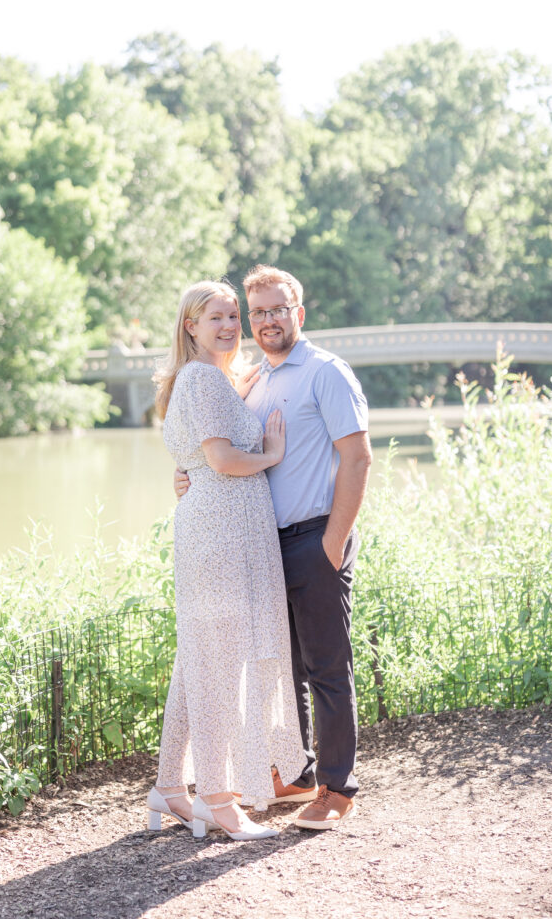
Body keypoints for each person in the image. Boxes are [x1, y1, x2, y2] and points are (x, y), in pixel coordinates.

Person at [176, 265, 372, 831]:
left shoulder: (326, 374)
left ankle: (337, 789)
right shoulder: (254, 380)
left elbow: (358, 458)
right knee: (281, 668)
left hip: (315, 537)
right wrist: (189, 477)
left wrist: (333, 542)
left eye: (275, 309)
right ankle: (301, 772)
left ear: (298, 313)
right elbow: (223, 450)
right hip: (259, 547)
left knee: (327, 666)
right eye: (254, 311)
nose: (263, 320)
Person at [147, 280, 305, 841]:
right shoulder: (203, 378)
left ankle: (170, 787)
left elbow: (198, 457)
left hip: (214, 528)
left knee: (199, 659)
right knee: (218, 666)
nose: (230, 325)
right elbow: (221, 458)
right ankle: (218, 799)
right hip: (220, 537)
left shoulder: (211, 380)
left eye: (233, 315)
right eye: (216, 317)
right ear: (190, 325)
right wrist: (272, 454)